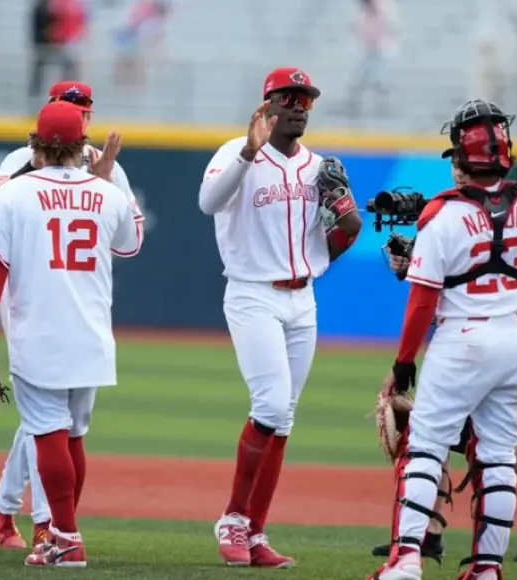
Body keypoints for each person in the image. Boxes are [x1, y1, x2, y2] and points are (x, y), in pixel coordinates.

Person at [371, 92, 517, 580]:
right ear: (506, 152)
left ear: (461, 156)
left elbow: (421, 303)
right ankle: (485, 569)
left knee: (425, 447)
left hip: (462, 340)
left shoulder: (441, 215)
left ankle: (407, 561)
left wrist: (401, 366)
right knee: (498, 455)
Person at [0, 100, 143, 567]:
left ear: (37, 146)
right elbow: (131, 243)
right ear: (82, 147)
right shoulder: (107, 193)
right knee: (74, 437)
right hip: (92, 334)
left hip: (38, 332)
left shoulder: (15, 193)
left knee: (47, 433)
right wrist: (102, 181)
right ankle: (62, 534)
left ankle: (65, 539)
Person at [199, 67, 362, 568]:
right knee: (269, 405)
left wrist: (347, 220)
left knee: (284, 418)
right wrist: (249, 152)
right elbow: (207, 203)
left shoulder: (319, 166)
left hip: (302, 298)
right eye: (287, 97)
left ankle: (255, 532)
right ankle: (231, 518)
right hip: (253, 294)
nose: (298, 105)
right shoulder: (235, 152)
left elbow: (342, 234)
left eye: (305, 99)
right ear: (266, 103)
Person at [371, 173, 517, 566]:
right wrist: (415, 257)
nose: (461, 171)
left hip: (513, 329)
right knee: (445, 428)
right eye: (457, 163)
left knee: (503, 439)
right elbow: (464, 271)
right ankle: (429, 532)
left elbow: (503, 270)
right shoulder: (473, 211)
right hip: (484, 335)